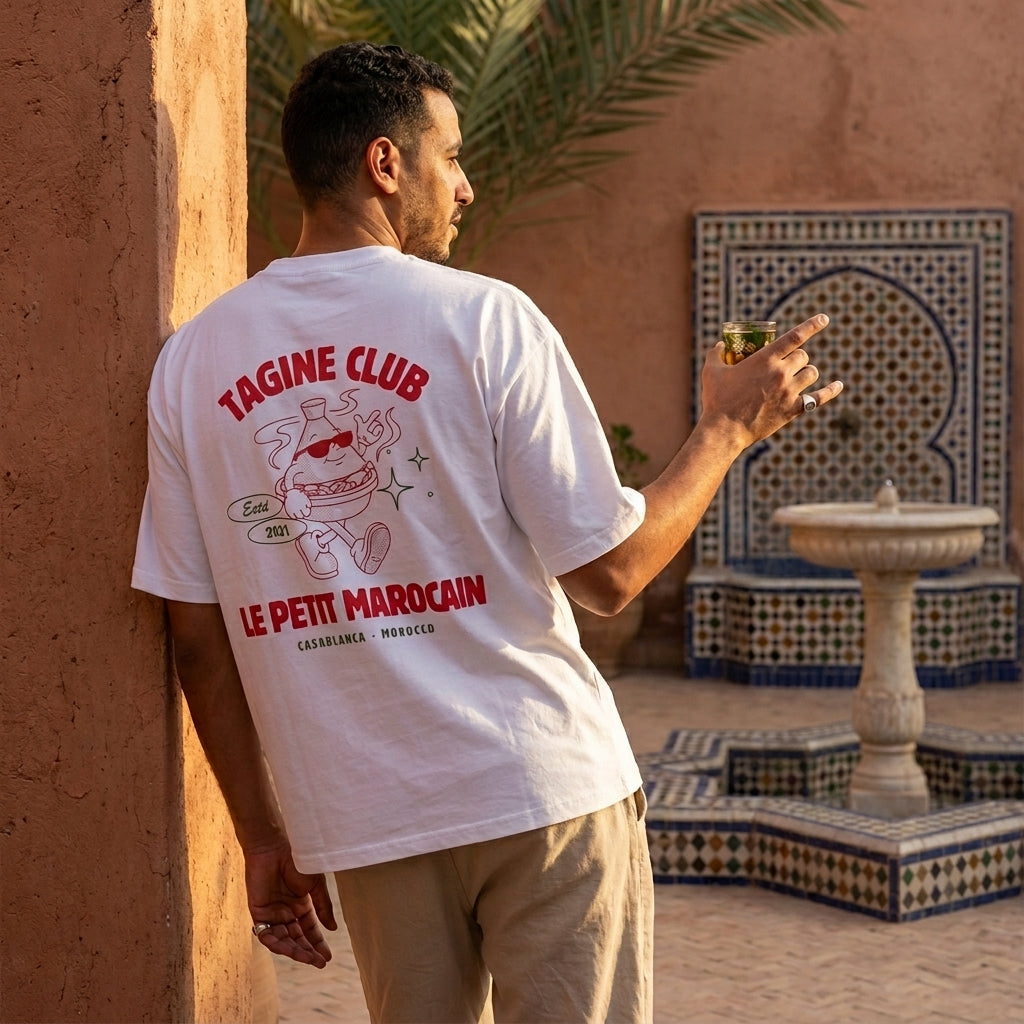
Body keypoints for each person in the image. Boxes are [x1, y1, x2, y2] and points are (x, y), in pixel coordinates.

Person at [132, 41, 843, 1024]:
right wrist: (727, 428)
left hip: (372, 821)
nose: (463, 187)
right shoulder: (485, 319)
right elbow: (611, 573)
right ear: (387, 163)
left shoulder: (192, 363)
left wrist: (262, 836)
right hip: (541, 794)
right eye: (451, 157)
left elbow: (198, 641)